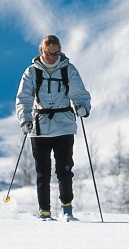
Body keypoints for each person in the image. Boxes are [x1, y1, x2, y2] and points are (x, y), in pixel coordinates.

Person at [15, 34, 92, 220]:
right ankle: (45, 213)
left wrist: (83, 107)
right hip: (39, 127)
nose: (52, 57)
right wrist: (25, 119)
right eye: (49, 53)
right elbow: (23, 98)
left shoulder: (69, 70)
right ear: (42, 50)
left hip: (64, 126)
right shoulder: (31, 72)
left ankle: (67, 210)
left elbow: (80, 94)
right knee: (43, 173)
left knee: (64, 170)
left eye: (56, 53)